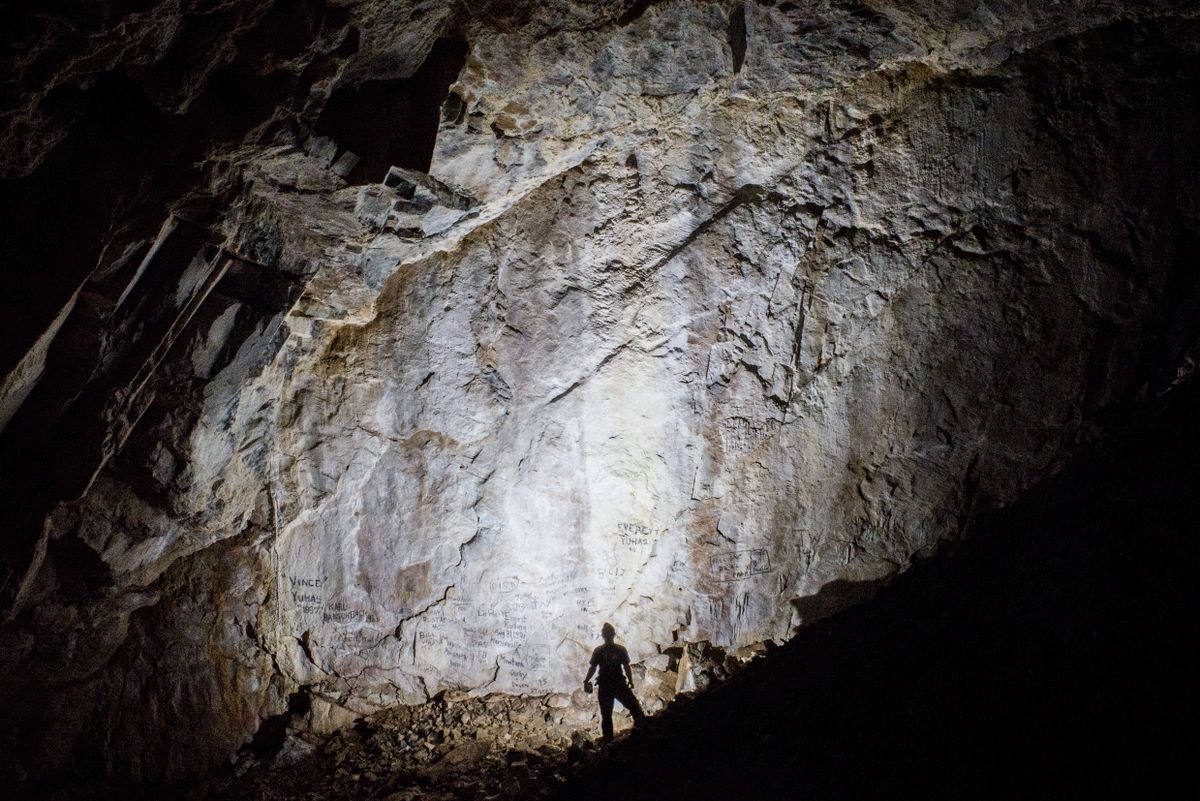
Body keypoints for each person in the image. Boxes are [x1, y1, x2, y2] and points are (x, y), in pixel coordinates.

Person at [583, 622, 646, 742]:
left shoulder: (598, 650)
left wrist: (586, 680)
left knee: (606, 715)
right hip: (619, 683)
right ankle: (643, 729)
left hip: (605, 685)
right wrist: (630, 681)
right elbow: (626, 666)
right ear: (614, 634)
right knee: (634, 706)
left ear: (603, 635)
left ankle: (609, 741)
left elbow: (593, 668)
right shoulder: (620, 649)